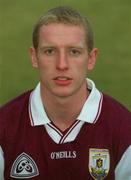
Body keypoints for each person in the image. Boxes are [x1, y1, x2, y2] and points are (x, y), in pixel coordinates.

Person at [0, 6, 131, 180]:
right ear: (34, 57)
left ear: (91, 59)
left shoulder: (124, 129)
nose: (62, 64)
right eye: (50, 51)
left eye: (74, 52)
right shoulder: (4, 127)